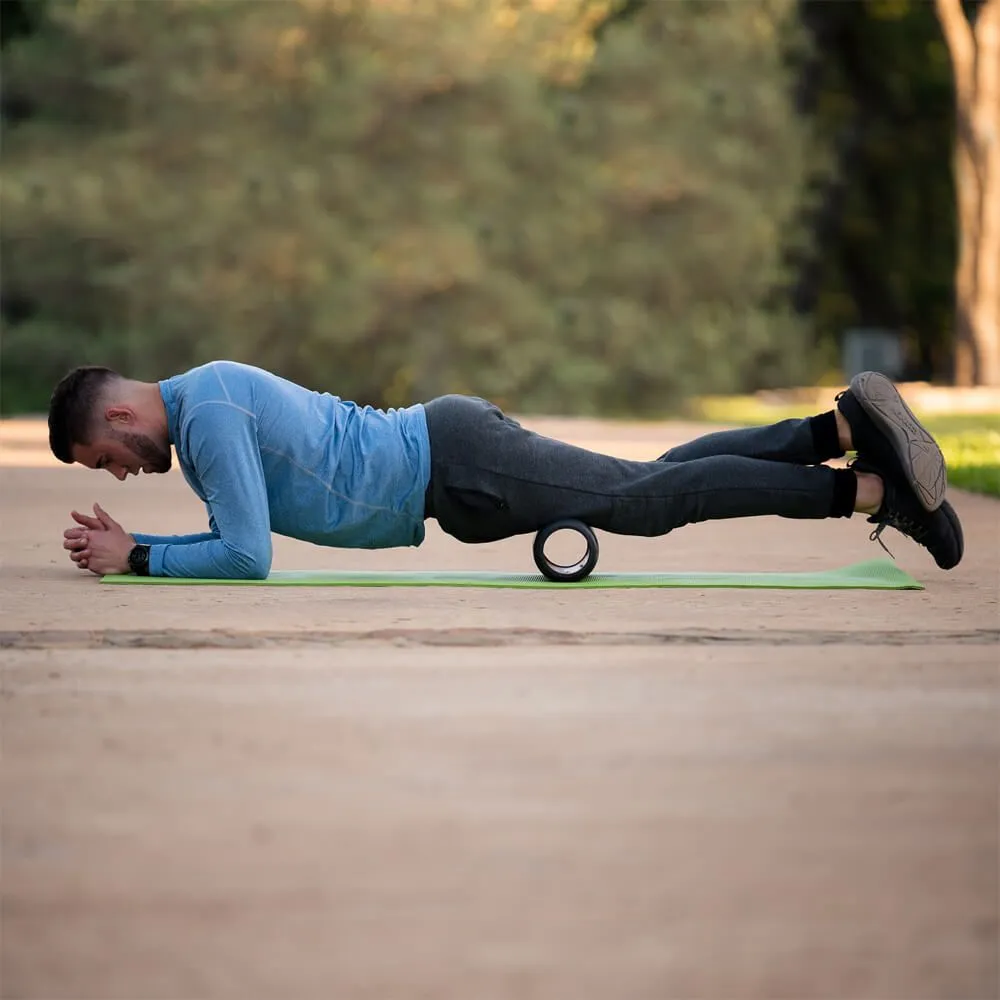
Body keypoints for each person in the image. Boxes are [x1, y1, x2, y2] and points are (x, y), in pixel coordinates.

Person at [50, 360, 963, 579]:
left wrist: (137, 557)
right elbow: (226, 537)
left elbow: (246, 557)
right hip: (453, 473)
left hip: (455, 462)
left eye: (107, 458)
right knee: (645, 482)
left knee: (648, 503)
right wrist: (142, 546)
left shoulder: (207, 417)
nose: (121, 474)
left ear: (122, 415)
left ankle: (870, 484)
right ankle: (837, 428)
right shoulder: (206, 409)